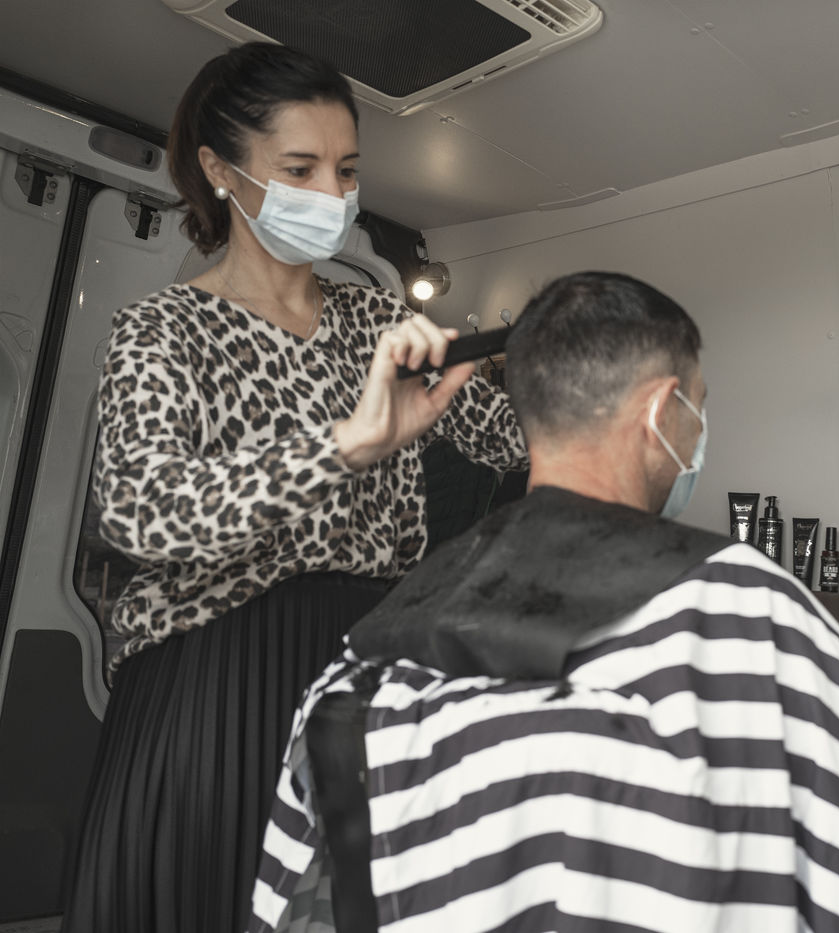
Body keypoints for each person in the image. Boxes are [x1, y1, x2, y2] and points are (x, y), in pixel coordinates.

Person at [247, 271, 839, 933]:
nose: (699, 434)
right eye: (699, 409)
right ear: (661, 412)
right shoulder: (739, 616)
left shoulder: (367, 654)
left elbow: (290, 898)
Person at [62, 43, 527, 933]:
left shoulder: (379, 319)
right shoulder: (161, 330)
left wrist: (545, 355)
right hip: (217, 681)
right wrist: (344, 446)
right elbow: (139, 509)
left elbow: (507, 440)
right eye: (300, 169)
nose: (331, 194)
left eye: (346, 171)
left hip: (363, 670)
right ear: (220, 170)